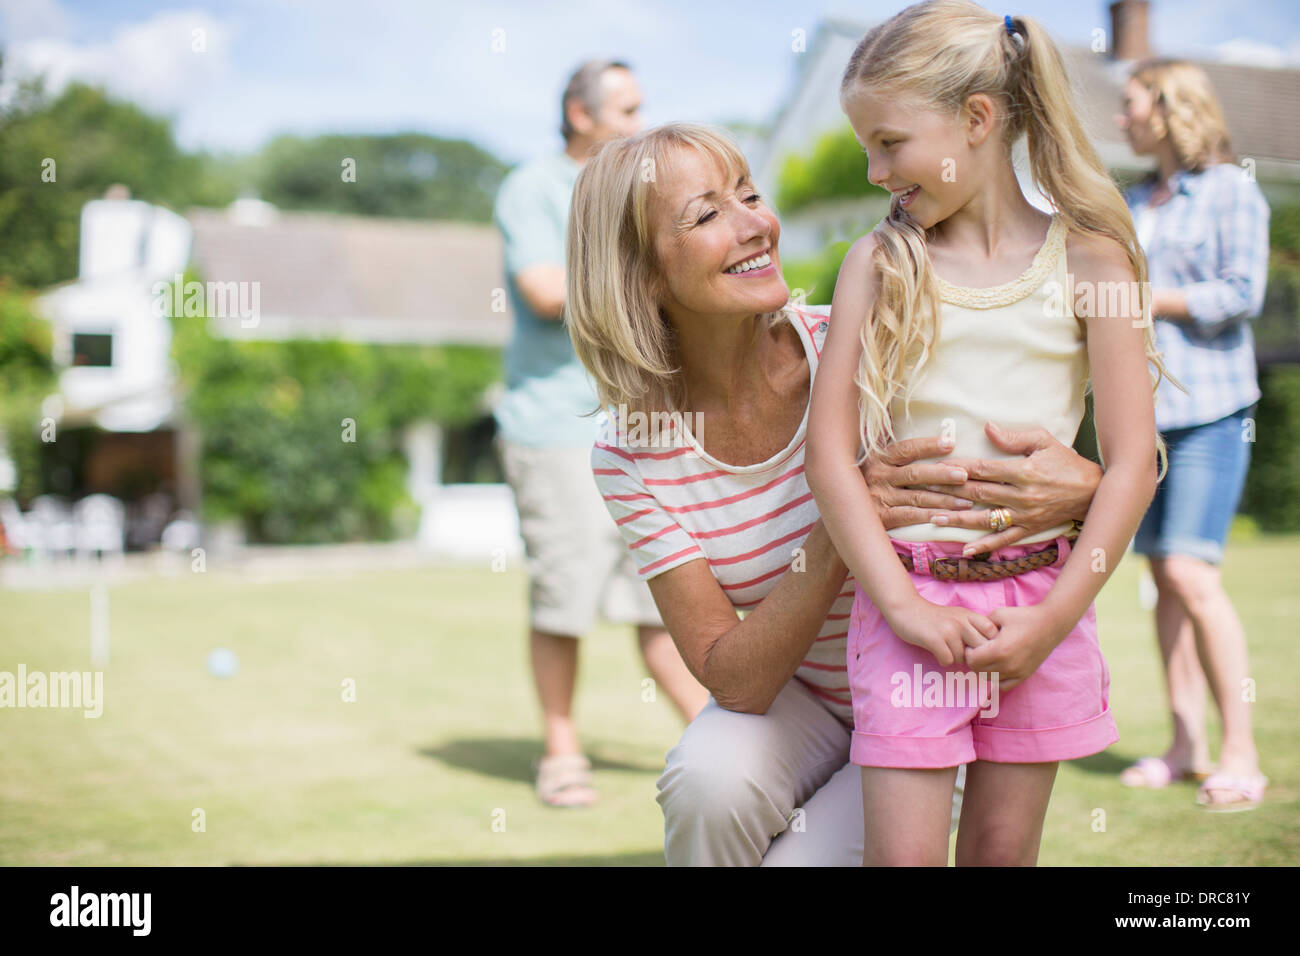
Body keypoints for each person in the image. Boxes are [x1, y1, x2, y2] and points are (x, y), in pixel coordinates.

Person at [565, 121, 1106, 865]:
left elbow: (1017, 455)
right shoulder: (635, 453)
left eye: (750, 194)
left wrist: (1088, 486)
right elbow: (735, 679)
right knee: (707, 782)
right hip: (806, 701)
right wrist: (844, 518)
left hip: (931, 694)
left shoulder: (868, 341)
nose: (757, 224)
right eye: (708, 214)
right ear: (642, 276)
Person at [805, 0, 1181, 867]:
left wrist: (1053, 621)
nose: (873, 170)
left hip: (1043, 606)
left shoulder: (1094, 260)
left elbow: (1130, 464)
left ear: (977, 119)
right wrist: (900, 607)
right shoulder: (877, 263)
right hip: (910, 612)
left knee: (1002, 855)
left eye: (889, 142)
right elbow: (832, 456)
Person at [492, 59, 707, 808]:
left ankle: (718, 742)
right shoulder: (533, 188)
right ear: (581, 116)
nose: (640, 123)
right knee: (565, 598)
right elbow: (546, 291)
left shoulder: (638, 193)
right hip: (555, 428)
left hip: (644, 423)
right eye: (626, 109)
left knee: (664, 596)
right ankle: (560, 753)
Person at [1114, 59, 1270, 811]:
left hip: (1212, 409)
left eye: (1132, 105)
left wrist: (1146, 295)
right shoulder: (1136, 198)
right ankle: (1185, 745)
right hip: (1144, 418)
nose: (1122, 119)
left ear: (1171, 108)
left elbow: (1242, 293)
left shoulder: (1233, 191)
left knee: (1188, 572)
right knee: (1160, 582)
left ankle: (1241, 752)